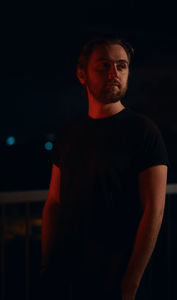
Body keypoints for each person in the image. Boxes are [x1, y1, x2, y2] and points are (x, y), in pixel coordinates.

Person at [40, 37, 169, 300]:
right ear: (82, 74)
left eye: (122, 66)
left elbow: (153, 211)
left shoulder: (143, 132)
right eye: (103, 66)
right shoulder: (69, 133)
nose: (114, 73)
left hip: (115, 274)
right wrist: (48, 264)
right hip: (66, 272)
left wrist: (130, 283)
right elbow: (54, 202)